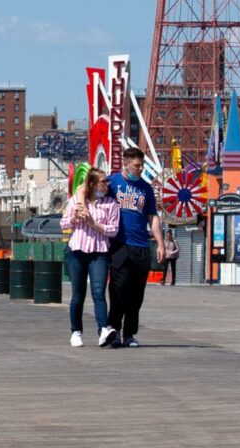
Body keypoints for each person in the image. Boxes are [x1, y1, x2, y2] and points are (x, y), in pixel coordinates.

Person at [105, 147, 164, 348]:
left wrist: (160, 243)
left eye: (142, 165)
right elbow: (91, 189)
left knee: (136, 293)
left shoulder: (146, 189)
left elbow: (152, 216)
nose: (140, 169)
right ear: (126, 163)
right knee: (118, 289)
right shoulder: (112, 183)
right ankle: (114, 331)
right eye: (137, 166)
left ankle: (130, 333)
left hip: (141, 246)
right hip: (119, 245)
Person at [61, 167, 120, 348]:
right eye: (103, 181)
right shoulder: (77, 201)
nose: (107, 185)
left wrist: (94, 224)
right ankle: (76, 331)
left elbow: (113, 230)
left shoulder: (111, 204)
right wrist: (74, 217)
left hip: (99, 253)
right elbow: (63, 224)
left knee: (98, 292)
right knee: (78, 295)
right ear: (93, 183)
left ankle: (103, 329)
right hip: (77, 251)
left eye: (107, 181)